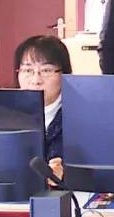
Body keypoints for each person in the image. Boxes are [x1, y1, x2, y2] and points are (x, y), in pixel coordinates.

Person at [14, 35, 72, 180]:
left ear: (64, 74)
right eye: (28, 70)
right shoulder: (5, 115)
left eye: (46, 71)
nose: (36, 80)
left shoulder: (79, 117)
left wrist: (68, 173)